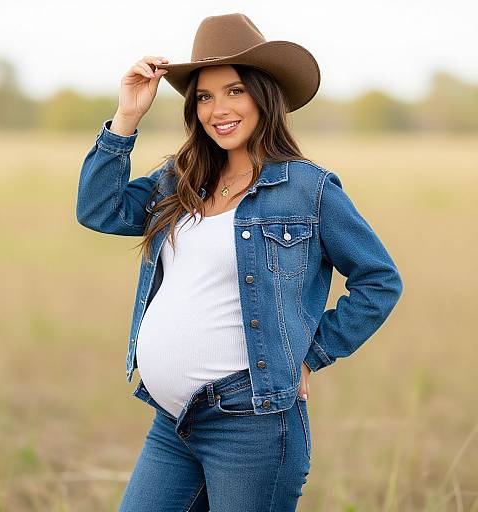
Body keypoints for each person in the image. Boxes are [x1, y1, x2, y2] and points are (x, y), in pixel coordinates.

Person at [76, 12, 403, 512]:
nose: (217, 109)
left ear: (263, 96)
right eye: (204, 96)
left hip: (251, 425)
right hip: (173, 420)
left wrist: (312, 354)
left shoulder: (307, 188)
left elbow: (379, 280)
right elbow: (99, 209)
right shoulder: (180, 180)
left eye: (234, 91)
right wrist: (126, 118)